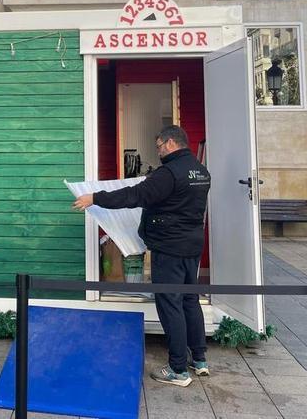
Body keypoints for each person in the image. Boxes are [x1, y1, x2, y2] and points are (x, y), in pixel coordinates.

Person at [73, 125, 211, 387]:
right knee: (189, 300)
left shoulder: (169, 173)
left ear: (170, 143)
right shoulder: (200, 171)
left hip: (169, 248)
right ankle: (199, 359)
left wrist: (95, 197)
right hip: (192, 245)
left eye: (159, 146)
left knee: (170, 303)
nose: (158, 151)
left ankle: (178, 369)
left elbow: (134, 195)